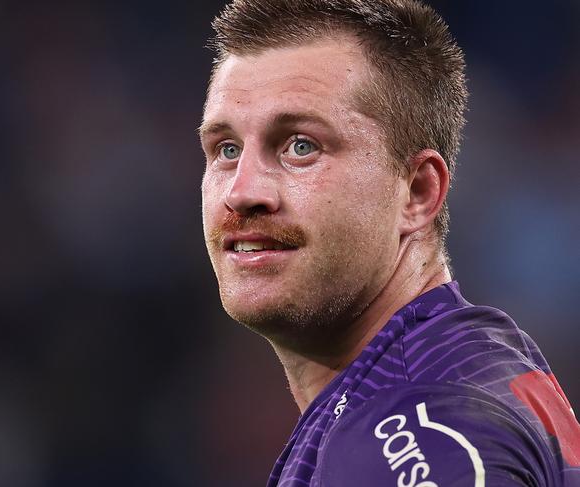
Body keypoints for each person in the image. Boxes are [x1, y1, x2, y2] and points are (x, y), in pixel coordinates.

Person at [199, 0, 580, 485]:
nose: (242, 191)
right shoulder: (440, 374)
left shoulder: (413, 431)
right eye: (226, 150)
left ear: (418, 193)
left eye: (300, 146)